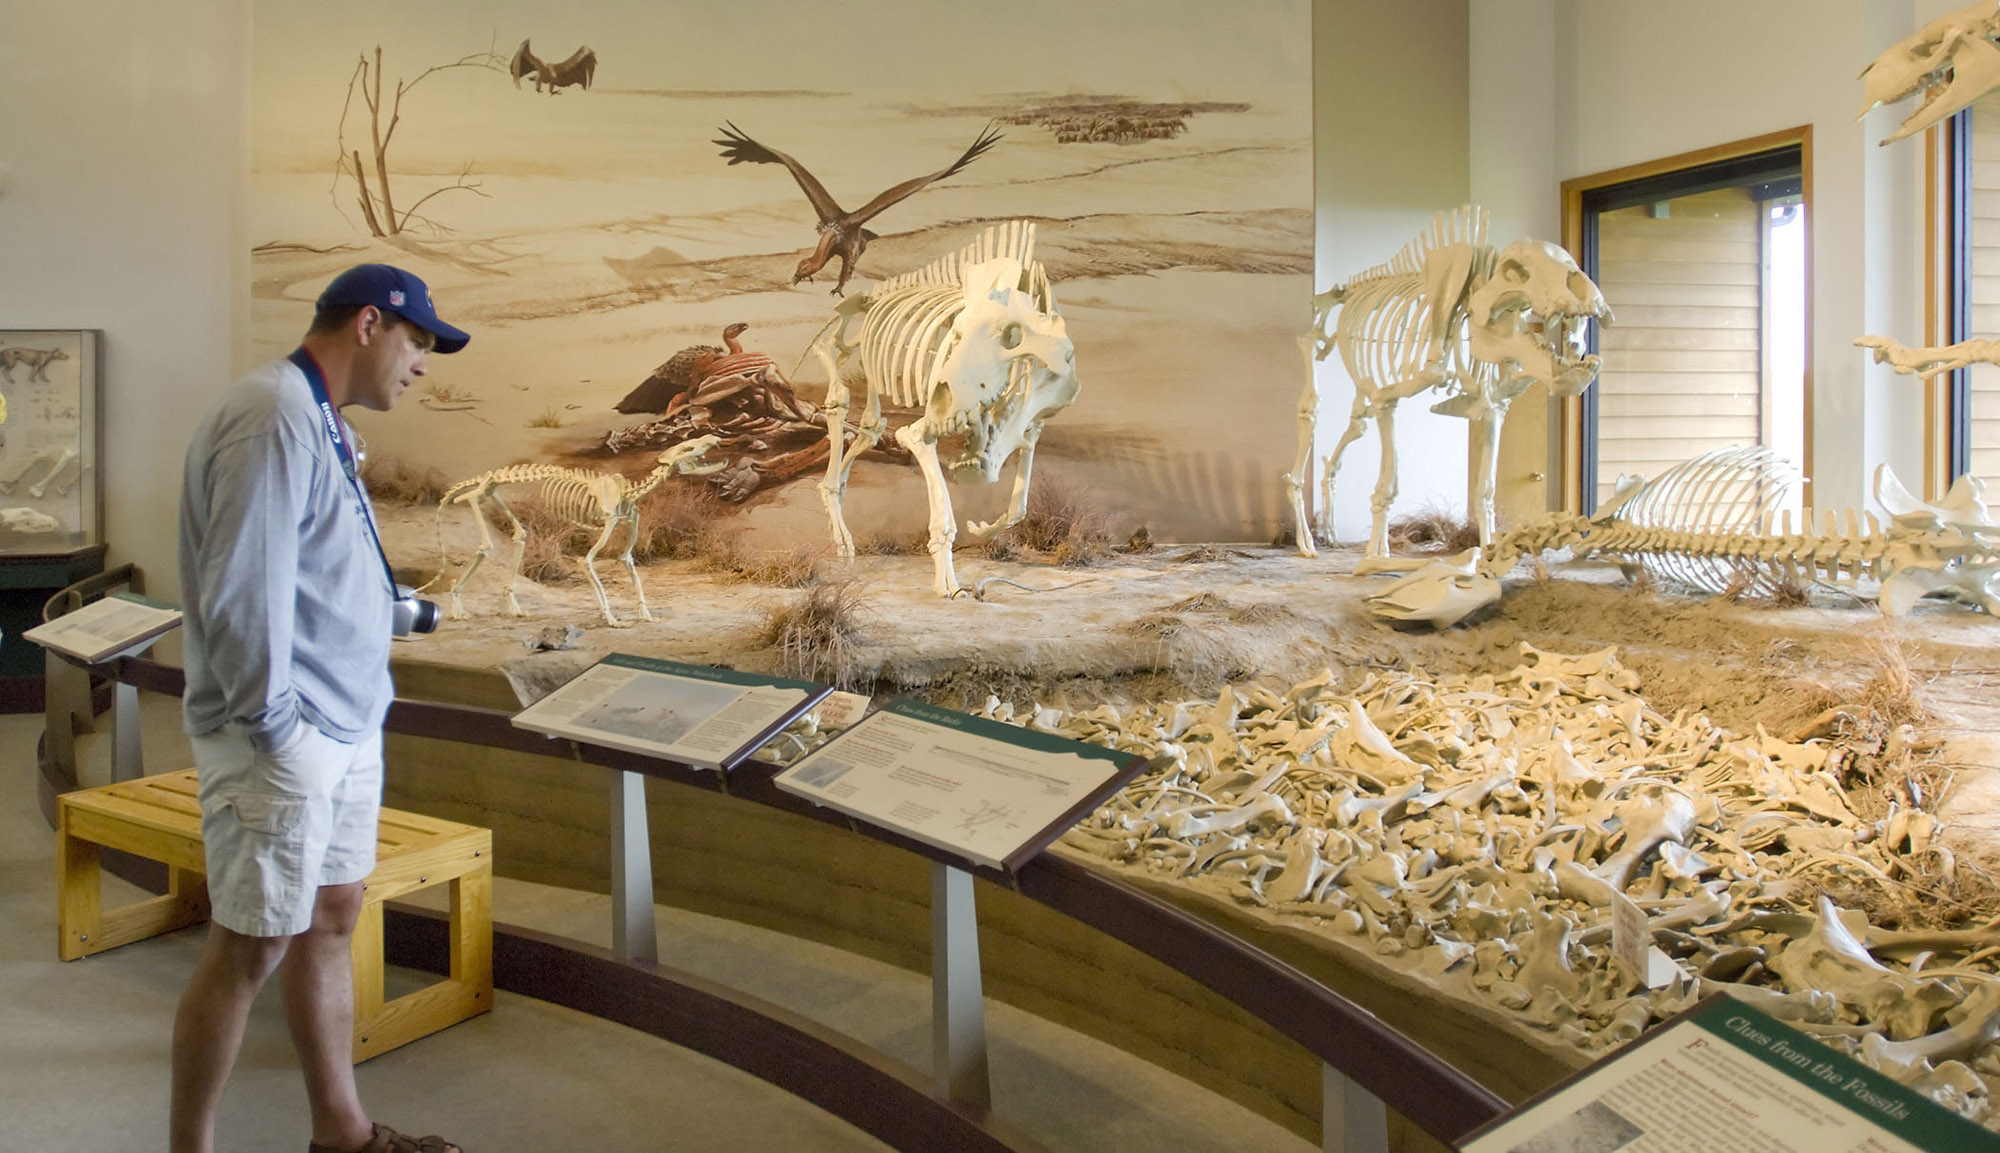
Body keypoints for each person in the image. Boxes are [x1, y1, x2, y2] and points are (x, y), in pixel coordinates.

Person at [171, 264, 470, 1153]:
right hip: (285, 739)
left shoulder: (322, 421)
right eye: (419, 342)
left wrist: (388, 612)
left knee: (334, 914)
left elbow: (307, 571)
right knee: (250, 945)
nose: (422, 364)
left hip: (343, 725)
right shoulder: (272, 415)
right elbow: (239, 595)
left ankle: (342, 1132)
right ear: (371, 324)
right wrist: (277, 728)